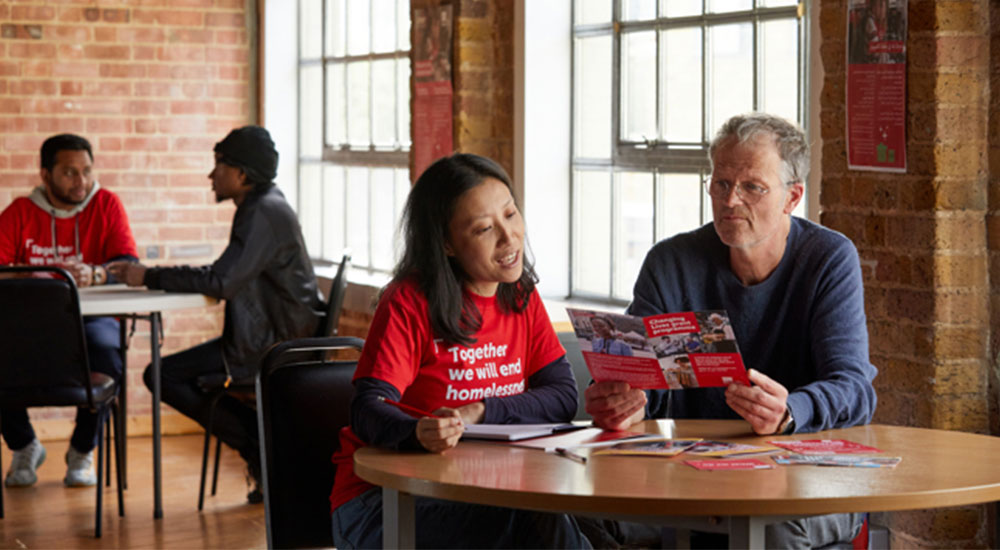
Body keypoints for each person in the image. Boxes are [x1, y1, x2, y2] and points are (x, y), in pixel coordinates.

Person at [584, 113, 877, 549]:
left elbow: (854, 388)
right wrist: (627, 398)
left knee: (769, 525)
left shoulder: (829, 258)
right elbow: (647, 378)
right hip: (690, 476)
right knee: (580, 514)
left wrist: (791, 410)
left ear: (791, 197)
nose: (731, 200)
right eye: (721, 184)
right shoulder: (669, 263)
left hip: (803, 476)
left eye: (752, 187)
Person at [328, 153, 591, 549]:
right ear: (447, 244)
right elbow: (367, 408)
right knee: (530, 518)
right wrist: (418, 432)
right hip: (383, 501)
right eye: (485, 228)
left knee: (551, 515)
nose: (509, 238)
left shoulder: (520, 295)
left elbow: (562, 397)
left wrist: (481, 411)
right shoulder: (409, 302)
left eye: (511, 214)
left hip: (484, 488)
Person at [108, 126, 322, 503]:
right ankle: (263, 449)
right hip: (269, 335)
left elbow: (221, 282)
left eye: (218, 165)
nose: (211, 175)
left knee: (160, 373)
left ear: (241, 174)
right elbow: (225, 277)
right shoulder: (264, 205)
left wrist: (149, 275)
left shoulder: (262, 212)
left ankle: (258, 449)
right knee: (165, 373)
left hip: (272, 344)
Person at [0, 133, 137, 488]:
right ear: (45, 175)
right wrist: (29, 276)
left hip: (93, 318)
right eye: (69, 173)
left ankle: (82, 449)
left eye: (87, 171)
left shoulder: (106, 205)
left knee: (107, 351)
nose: (82, 182)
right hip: (29, 323)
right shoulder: (19, 212)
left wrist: (96, 273)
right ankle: (24, 445)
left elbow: (127, 263)